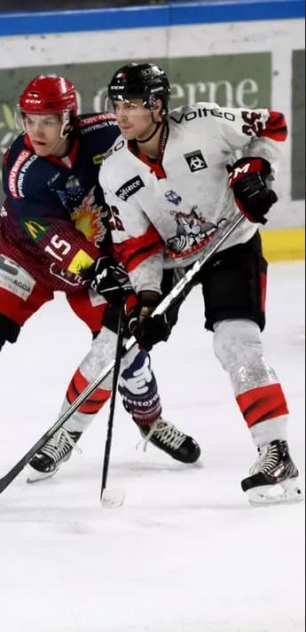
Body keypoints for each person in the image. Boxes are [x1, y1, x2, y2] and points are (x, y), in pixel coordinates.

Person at [0, 74, 200, 481]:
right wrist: (97, 267)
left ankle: (149, 422)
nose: (35, 131)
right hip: (28, 258)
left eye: (46, 121)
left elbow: (156, 153)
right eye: (28, 120)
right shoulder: (22, 169)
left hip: (95, 262)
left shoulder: (105, 133)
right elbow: (47, 235)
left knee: (127, 349)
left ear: (69, 118)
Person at [98, 62, 300, 505]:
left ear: (157, 104)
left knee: (236, 344)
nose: (121, 115)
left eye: (131, 104)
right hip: (172, 257)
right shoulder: (114, 171)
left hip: (232, 242)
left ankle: (276, 452)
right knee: (121, 337)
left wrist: (255, 171)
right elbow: (136, 245)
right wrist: (147, 301)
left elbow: (273, 125)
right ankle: (67, 435)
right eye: (117, 105)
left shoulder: (205, 124)